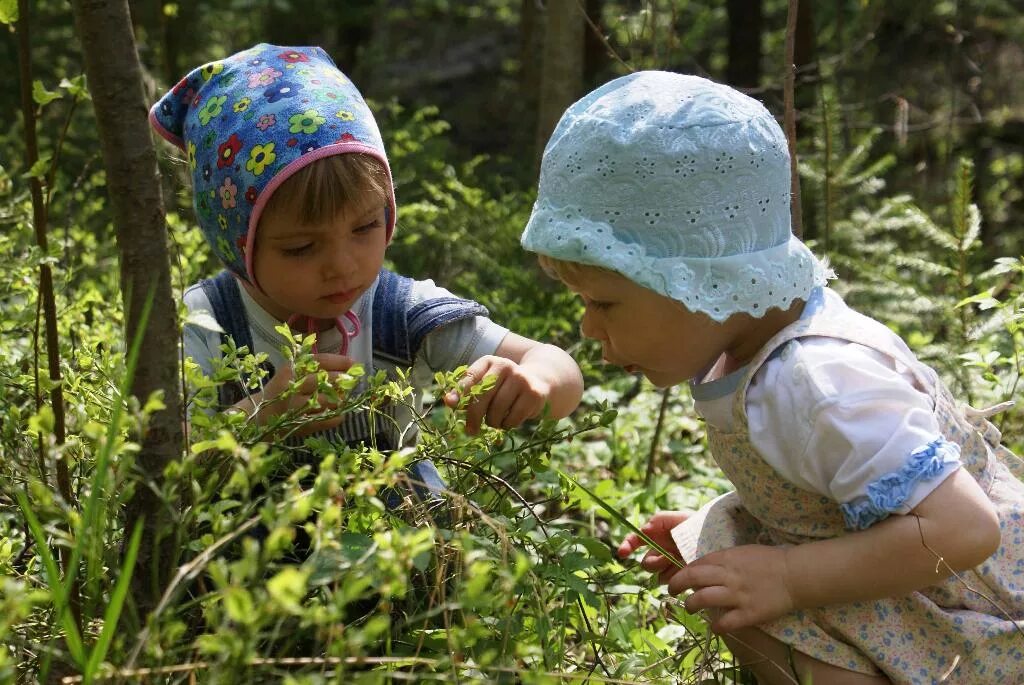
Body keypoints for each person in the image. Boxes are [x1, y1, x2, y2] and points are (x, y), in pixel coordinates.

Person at [520, 70, 1024, 685]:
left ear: (696, 278)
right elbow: (827, 485)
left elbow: (964, 530)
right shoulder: (751, 347)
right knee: (720, 563)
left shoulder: (818, 380)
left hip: (983, 620)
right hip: (917, 588)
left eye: (604, 303)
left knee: (748, 596)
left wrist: (787, 578)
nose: (589, 330)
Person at [150, 43, 583, 504]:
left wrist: (535, 382)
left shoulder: (399, 311)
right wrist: (263, 414)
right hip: (244, 563)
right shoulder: (202, 324)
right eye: (301, 247)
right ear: (235, 244)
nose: (344, 265)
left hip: (403, 554)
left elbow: (564, 375)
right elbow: (160, 478)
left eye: (365, 227)